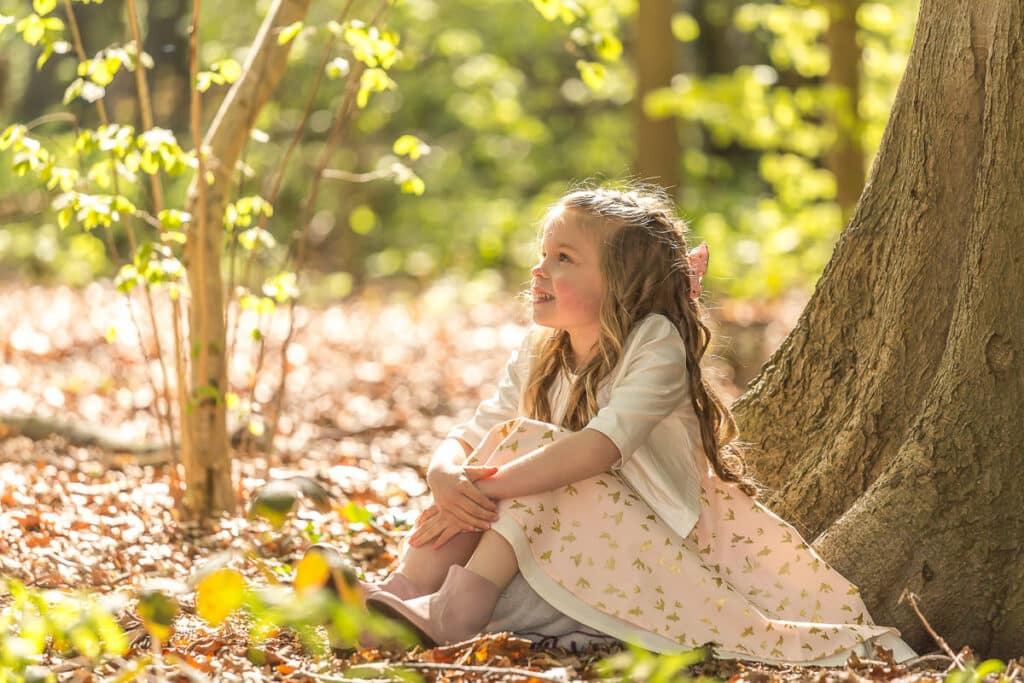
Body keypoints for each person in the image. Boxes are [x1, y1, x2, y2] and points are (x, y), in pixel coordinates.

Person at [357, 183, 918, 666]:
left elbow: (598, 449)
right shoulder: (538, 348)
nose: (539, 268)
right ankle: (402, 597)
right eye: (543, 253)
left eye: (563, 259)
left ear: (623, 284)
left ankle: (457, 611)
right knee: (486, 463)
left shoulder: (655, 344)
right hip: (553, 547)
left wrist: (482, 485)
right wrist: (444, 476)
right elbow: (479, 427)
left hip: (639, 557)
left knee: (529, 453)